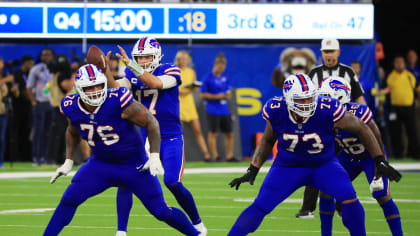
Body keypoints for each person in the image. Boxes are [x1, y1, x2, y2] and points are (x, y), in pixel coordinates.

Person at [44, 64, 201, 236]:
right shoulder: (70, 105)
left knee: (161, 211)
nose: (96, 90)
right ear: (79, 89)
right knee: (69, 199)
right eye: (90, 87)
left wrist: (154, 156)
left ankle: (196, 234)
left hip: (134, 166)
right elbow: (72, 131)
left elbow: (151, 122)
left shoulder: (117, 99)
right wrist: (68, 161)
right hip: (100, 165)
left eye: (99, 85)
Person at [227, 73, 393, 236]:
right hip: (287, 167)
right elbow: (267, 140)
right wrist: (253, 169)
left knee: (349, 199)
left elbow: (362, 128)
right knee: (260, 205)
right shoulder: (276, 110)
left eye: (310, 98)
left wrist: (379, 160)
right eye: (301, 99)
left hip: (324, 165)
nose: (307, 103)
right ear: (288, 99)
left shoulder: (326, 108)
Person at [110, 37, 206, 236]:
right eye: (139, 57)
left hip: (170, 137)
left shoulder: (170, 70)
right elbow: (120, 86)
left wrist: (133, 67)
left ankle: (197, 223)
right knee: (126, 179)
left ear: (156, 56)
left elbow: (155, 82)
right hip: (144, 137)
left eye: (147, 57)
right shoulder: (130, 73)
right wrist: (102, 79)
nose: (143, 61)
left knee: (172, 182)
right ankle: (121, 231)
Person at [318, 76, 402, 236]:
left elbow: (377, 138)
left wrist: (380, 165)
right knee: (326, 189)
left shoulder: (359, 111)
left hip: (371, 157)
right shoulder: (325, 115)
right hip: (348, 157)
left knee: (382, 195)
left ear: (340, 96)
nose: (323, 102)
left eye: (326, 97)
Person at [296, 38, 367, 218]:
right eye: (326, 52)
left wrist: (363, 119)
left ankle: (342, 205)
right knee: (314, 164)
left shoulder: (348, 72)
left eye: (332, 51)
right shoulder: (314, 73)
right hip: (321, 127)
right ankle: (307, 207)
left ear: (338, 52)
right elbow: (307, 99)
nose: (329, 55)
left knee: (342, 167)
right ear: (321, 53)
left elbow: (359, 98)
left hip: (343, 126)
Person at [379, 55, 420, 159]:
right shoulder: (390, 76)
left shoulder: (410, 76)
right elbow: (383, 92)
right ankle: (398, 154)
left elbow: (418, 90)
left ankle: (415, 153)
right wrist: (380, 107)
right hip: (395, 109)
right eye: (397, 62)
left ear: (404, 64)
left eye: (401, 62)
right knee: (395, 132)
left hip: (409, 108)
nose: (399, 64)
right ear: (394, 64)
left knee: (412, 131)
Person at [200, 53, 238, 162]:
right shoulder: (207, 78)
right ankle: (215, 156)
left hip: (224, 110)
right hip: (212, 109)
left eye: (223, 67)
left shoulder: (225, 77)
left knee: (229, 133)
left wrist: (227, 95)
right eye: (220, 66)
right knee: (213, 133)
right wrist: (217, 96)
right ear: (215, 65)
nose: (221, 69)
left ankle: (229, 156)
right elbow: (203, 94)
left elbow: (228, 91)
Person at [175, 50, 211, 162]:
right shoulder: (175, 71)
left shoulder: (191, 72)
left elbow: (195, 88)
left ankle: (207, 155)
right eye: (183, 59)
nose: (185, 61)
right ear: (178, 60)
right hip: (179, 103)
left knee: (198, 130)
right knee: (179, 132)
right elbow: (175, 88)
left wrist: (193, 86)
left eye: (186, 59)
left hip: (189, 104)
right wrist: (184, 90)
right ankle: (180, 156)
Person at [26, 48, 55, 166]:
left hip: (52, 104)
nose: (46, 57)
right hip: (40, 103)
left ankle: (45, 157)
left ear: (52, 56)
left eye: (48, 54)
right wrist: (33, 102)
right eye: (44, 55)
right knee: (39, 131)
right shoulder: (36, 69)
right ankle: (36, 157)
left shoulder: (55, 70)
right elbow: (29, 87)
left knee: (49, 132)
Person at [46, 54, 75, 165]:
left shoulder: (54, 74)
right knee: (62, 133)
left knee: (58, 133)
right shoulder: (60, 75)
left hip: (57, 107)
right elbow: (68, 86)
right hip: (60, 108)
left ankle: (56, 157)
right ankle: (58, 158)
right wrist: (74, 75)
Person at [10, 55, 34, 162]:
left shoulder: (30, 74)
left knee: (27, 133)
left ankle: (26, 156)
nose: (32, 66)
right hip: (17, 108)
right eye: (30, 63)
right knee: (17, 132)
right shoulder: (17, 74)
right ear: (25, 63)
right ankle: (16, 156)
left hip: (28, 108)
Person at [0, 57, 13, 168]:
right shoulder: (5, 79)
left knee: (2, 138)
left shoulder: (4, 76)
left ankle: (1, 161)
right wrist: (5, 80)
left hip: (3, 111)